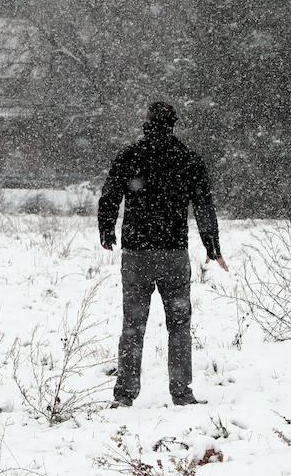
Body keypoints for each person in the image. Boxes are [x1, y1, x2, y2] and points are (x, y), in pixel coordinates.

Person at [98, 102, 228, 408]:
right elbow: (204, 206)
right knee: (179, 326)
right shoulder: (187, 159)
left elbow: (109, 196)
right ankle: (182, 392)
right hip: (173, 253)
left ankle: (125, 393)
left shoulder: (130, 156)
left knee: (133, 325)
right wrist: (212, 246)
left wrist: (106, 230)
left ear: (147, 123)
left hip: (136, 253)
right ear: (172, 124)